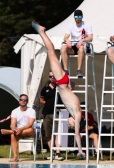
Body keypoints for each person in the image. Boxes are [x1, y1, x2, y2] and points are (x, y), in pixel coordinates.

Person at [32, 21, 85, 158]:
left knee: (51, 54)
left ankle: (42, 32)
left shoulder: (77, 111)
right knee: (51, 52)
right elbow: (78, 134)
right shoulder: (78, 116)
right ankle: (41, 31)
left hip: (63, 82)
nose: (69, 123)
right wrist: (80, 150)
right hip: (61, 81)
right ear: (76, 123)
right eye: (71, 125)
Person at [1, 94, 36, 162]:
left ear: (27, 101)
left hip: (28, 131)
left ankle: (9, 131)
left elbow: (30, 124)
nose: (23, 101)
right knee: (12, 135)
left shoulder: (31, 111)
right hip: (18, 132)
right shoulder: (15, 111)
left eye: (25, 100)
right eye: (21, 99)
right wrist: (14, 129)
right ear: (18, 101)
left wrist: (20, 129)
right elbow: (12, 124)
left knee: (30, 129)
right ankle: (15, 156)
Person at [61, 9, 93, 76]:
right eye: (76, 17)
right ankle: (66, 70)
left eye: (79, 17)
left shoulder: (87, 24)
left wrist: (82, 40)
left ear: (82, 17)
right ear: (74, 18)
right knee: (63, 47)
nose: (78, 18)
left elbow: (90, 38)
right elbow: (65, 37)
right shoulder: (71, 25)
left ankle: (79, 70)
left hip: (83, 47)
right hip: (73, 46)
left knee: (81, 48)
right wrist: (67, 41)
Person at [40, 70, 64, 160]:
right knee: (48, 134)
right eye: (50, 76)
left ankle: (58, 153)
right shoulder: (45, 88)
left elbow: (72, 84)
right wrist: (46, 103)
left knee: (57, 133)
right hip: (47, 113)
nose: (52, 78)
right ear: (48, 77)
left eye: (54, 76)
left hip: (57, 113)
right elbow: (41, 99)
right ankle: (51, 153)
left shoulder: (60, 86)